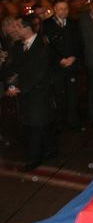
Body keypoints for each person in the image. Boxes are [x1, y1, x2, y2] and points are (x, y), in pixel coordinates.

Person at [4, 15, 55, 171]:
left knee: (35, 126)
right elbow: (13, 68)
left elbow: (39, 73)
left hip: (38, 92)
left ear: (27, 28)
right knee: (36, 124)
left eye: (18, 27)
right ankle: (49, 150)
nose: (15, 30)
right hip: (25, 93)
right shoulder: (18, 46)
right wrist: (11, 85)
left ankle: (34, 159)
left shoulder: (42, 45)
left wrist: (21, 88)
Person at [41, 0, 82, 129]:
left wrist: (74, 57)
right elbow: (47, 46)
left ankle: (73, 121)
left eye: (66, 8)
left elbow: (79, 42)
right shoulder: (46, 24)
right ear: (55, 9)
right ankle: (59, 123)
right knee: (58, 95)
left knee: (72, 95)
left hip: (71, 64)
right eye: (60, 9)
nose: (64, 11)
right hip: (56, 66)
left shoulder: (73, 23)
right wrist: (59, 59)